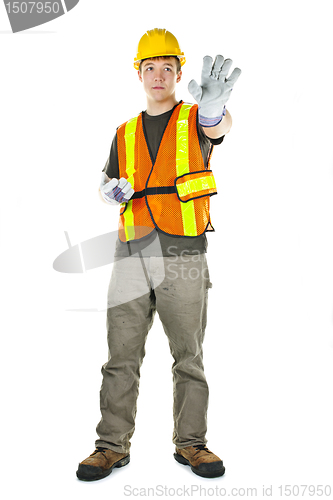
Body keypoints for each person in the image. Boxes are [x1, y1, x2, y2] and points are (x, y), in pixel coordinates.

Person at [76, 28, 241, 481]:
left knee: (188, 355)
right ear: (139, 73)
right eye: (150, 67)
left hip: (183, 254)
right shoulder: (124, 132)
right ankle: (110, 447)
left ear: (178, 72)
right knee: (120, 357)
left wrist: (214, 109)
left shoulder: (195, 118)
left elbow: (218, 128)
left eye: (167, 67)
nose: (158, 75)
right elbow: (108, 181)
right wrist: (108, 192)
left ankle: (192, 445)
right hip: (130, 253)